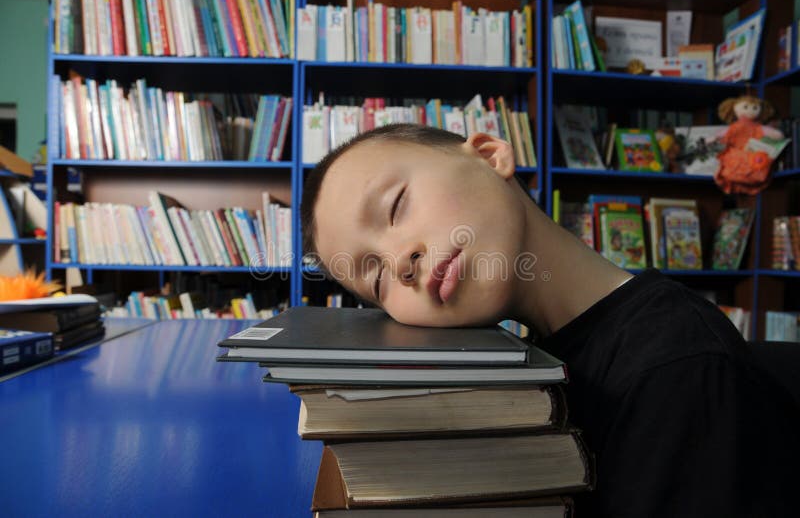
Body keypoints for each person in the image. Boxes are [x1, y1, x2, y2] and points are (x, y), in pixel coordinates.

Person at [300, 124, 799, 517]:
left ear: (492, 155)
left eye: (395, 206)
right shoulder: (532, 365)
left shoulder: (678, 369)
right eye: (377, 280)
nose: (400, 262)